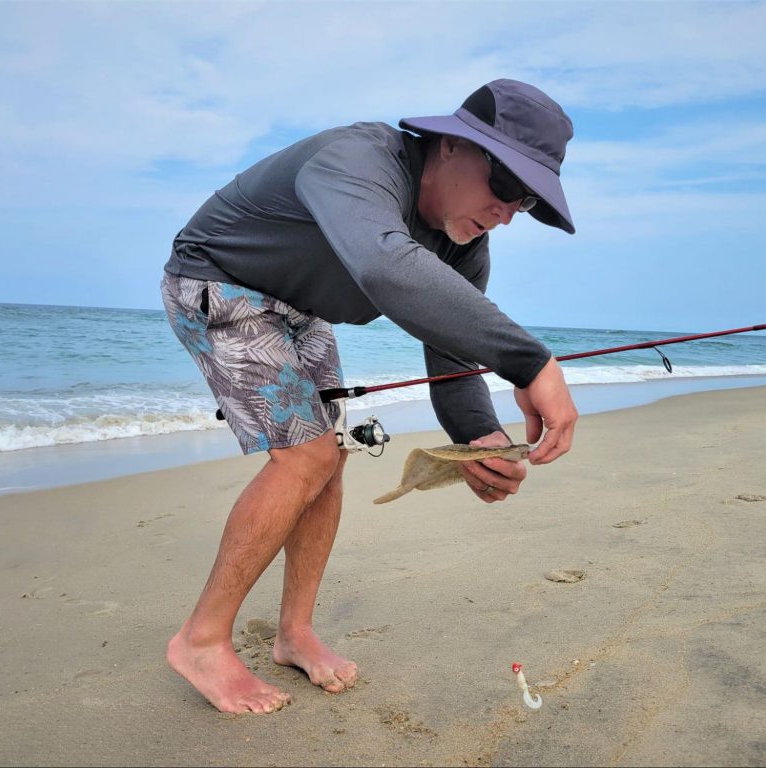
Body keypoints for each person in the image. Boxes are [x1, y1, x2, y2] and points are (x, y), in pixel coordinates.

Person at [160, 79, 580, 715]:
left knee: (330, 460)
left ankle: (293, 633)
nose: (507, 212)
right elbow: (385, 268)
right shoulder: (358, 162)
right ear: (449, 146)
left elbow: (450, 349)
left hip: (301, 308)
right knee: (303, 459)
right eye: (504, 187)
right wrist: (531, 362)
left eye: (525, 203)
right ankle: (201, 640)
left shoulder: (465, 243)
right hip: (219, 282)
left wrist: (480, 436)